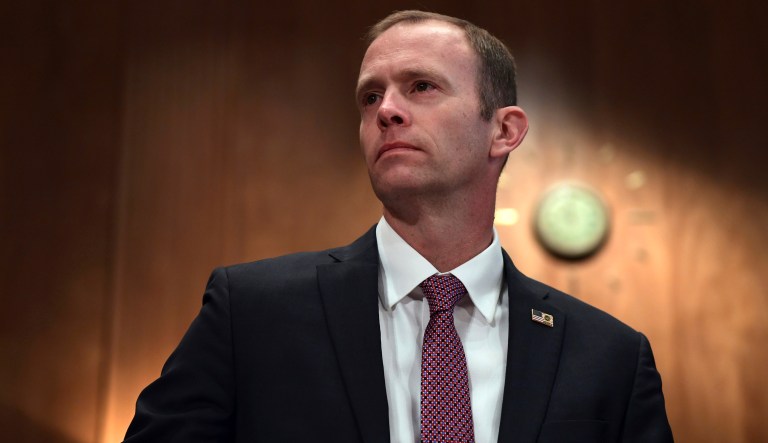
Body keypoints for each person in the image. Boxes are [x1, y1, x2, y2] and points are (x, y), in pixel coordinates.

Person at [124, 10, 673, 443]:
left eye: (421, 87)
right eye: (371, 96)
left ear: (504, 130)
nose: (386, 110)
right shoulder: (249, 313)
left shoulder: (611, 357)